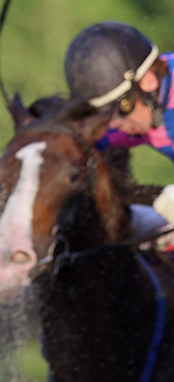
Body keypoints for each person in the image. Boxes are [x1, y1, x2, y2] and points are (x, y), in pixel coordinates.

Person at [63, 21, 174, 242]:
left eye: (119, 110)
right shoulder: (144, 110)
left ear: (148, 82)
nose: (113, 125)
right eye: (104, 114)